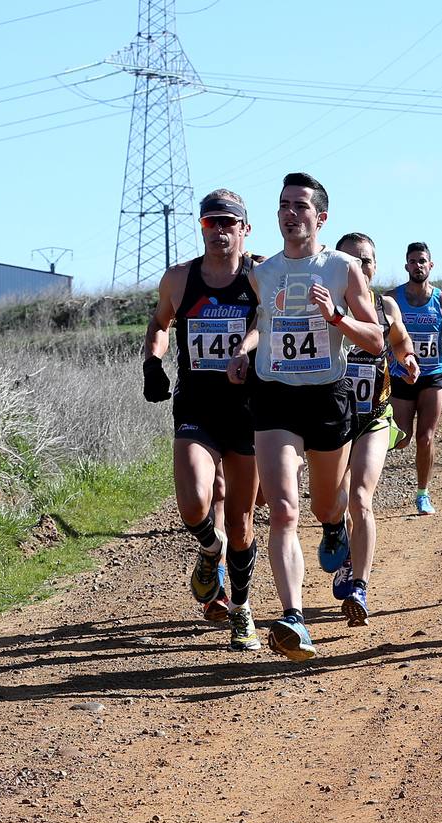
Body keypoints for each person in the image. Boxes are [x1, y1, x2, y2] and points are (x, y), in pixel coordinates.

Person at [227, 173, 385, 661]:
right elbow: (261, 322)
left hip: (327, 396)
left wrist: (336, 317)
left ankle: (335, 527)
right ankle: (294, 617)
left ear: (321, 217)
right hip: (274, 396)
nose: (291, 214)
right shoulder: (262, 273)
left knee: (325, 506)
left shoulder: (342, 269)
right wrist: (245, 350)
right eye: (283, 206)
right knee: (283, 510)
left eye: (300, 206)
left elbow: (376, 340)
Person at [143, 189, 262, 651]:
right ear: (202, 227)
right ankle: (208, 550)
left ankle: (241, 611)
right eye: (211, 222)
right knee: (194, 504)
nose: (219, 230)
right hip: (196, 405)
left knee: (241, 521)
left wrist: (246, 348)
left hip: (250, 408)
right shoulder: (179, 278)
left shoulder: (260, 275)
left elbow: (276, 318)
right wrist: (153, 364)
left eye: (228, 222)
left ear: (244, 229)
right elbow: (159, 323)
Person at [329, 232, 419, 625]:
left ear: (375, 265)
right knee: (333, 503)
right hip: (331, 421)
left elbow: (400, 341)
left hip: (374, 418)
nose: (360, 267)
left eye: (366, 261)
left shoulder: (386, 307)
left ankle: (359, 588)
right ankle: (341, 545)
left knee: (360, 498)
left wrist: (409, 359)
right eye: (351, 260)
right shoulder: (323, 305)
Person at [387, 242, 442, 515]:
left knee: (426, 437)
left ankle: (423, 494)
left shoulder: (441, 300)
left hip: (433, 374)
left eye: (422, 261)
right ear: (406, 266)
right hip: (401, 375)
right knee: (403, 438)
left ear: (431, 265)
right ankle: (364, 469)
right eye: (413, 261)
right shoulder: (392, 298)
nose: (418, 266)